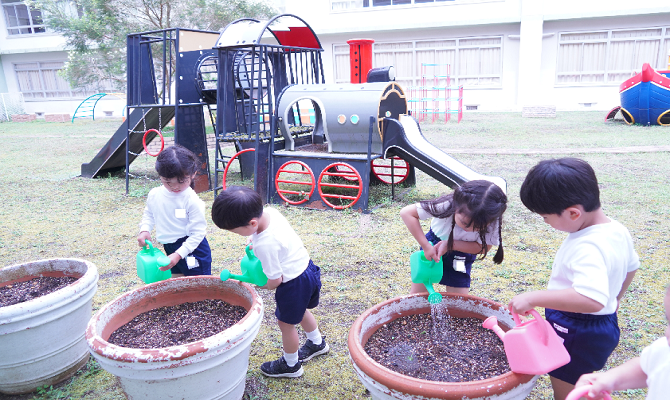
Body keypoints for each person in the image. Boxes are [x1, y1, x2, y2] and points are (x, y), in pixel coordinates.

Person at [509, 157, 639, 400]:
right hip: (601, 324)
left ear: (573, 213)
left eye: (545, 217)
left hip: (576, 329)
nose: (546, 223)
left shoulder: (587, 246)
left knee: (568, 386)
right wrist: (615, 298)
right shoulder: (617, 230)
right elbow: (632, 267)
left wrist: (534, 297)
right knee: (581, 375)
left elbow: (591, 299)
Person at [211, 185, 328, 378]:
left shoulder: (265, 245)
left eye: (236, 231)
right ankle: (317, 343)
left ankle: (291, 365)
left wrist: (258, 286)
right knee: (301, 310)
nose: (237, 234)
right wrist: (253, 238)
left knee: (286, 324)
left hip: (292, 283)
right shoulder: (270, 212)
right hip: (306, 269)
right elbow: (271, 238)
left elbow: (275, 280)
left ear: (252, 223)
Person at [400, 179, 507, 295]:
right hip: (433, 246)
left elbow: (483, 247)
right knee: (419, 293)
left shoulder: (492, 219)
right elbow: (407, 213)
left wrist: (451, 245)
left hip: (462, 254)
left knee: (458, 298)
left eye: (477, 228)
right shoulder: (447, 204)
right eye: (464, 223)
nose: (469, 230)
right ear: (455, 207)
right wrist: (425, 246)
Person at [573, 284, 670, 400]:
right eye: (668, 321)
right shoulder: (664, 349)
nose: (667, 333)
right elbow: (647, 365)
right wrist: (612, 377)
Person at [136, 145, 211, 277]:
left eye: (181, 181)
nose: (175, 186)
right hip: (169, 248)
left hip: (193, 250)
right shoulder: (155, 194)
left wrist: (178, 254)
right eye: (167, 181)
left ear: (193, 174)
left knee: (198, 287)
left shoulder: (192, 200)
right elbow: (149, 214)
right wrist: (145, 229)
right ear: (160, 176)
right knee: (177, 285)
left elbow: (198, 234)